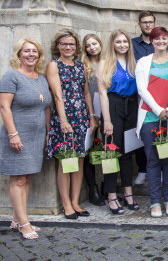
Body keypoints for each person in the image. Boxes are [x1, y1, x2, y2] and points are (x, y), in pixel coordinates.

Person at [0, 38, 52, 239]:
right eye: (27, 51)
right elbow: (4, 107)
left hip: (36, 137)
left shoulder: (40, 78)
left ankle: (17, 218)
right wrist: (13, 134)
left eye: (35, 51)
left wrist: (48, 133)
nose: (31, 54)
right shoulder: (11, 76)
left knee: (27, 177)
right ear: (19, 54)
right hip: (17, 136)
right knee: (18, 178)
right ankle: (24, 223)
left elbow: (46, 106)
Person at [46, 29, 96, 219]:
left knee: (80, 159)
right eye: (64, 44)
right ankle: (66, 204)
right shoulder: (54, 65)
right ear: (58, 46)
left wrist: (91, 116)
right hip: (64, 118)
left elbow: (86, 94)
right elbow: (57, 95)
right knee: (66, 161)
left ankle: (75, 201)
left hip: (82, 116)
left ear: (76, 47)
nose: (68, 47)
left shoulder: (80, 66)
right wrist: (64, 120)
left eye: (71, 44)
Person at [135, 27, 168, 218]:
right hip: (150, 117)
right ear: (152, 41)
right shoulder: (144, 62)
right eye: (157, 39)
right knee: (153, 160)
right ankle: (155, 201)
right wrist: (158, 110)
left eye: (164, 38)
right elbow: (142, 89)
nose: (161, 41)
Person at [96, 29, 139, 215]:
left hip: (131, 107)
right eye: (118, 42)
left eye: (125, 42)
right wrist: (106, 120)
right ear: (112, 44)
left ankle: (128, 191)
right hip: (113, 105)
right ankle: (111, 194)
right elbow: (103, 94)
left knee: (128, 152)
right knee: (111, 152)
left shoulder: (133, 63)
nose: (122, 45)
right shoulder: (105, 63)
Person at [81, 34, 105, 206]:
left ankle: (106, 186)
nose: (92, 48)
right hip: (90, 112)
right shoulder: (84, 66)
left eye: (94, 44)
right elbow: (86, 92)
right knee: (90, 150)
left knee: (108, 148)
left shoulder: (109, 62)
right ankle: (93, 188)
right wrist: (91, 115)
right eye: (88, 45)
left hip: (108, 111)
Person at [132, 11, 156, 184]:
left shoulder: (160, 42)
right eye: (144, 22)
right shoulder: (133, 44)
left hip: (159, 93)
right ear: (139, 24)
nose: (148, 25)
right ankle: (142, 168)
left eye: (150, 22)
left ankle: (157, 167)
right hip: (139, 93)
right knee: (141, 129)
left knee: (158, 130)